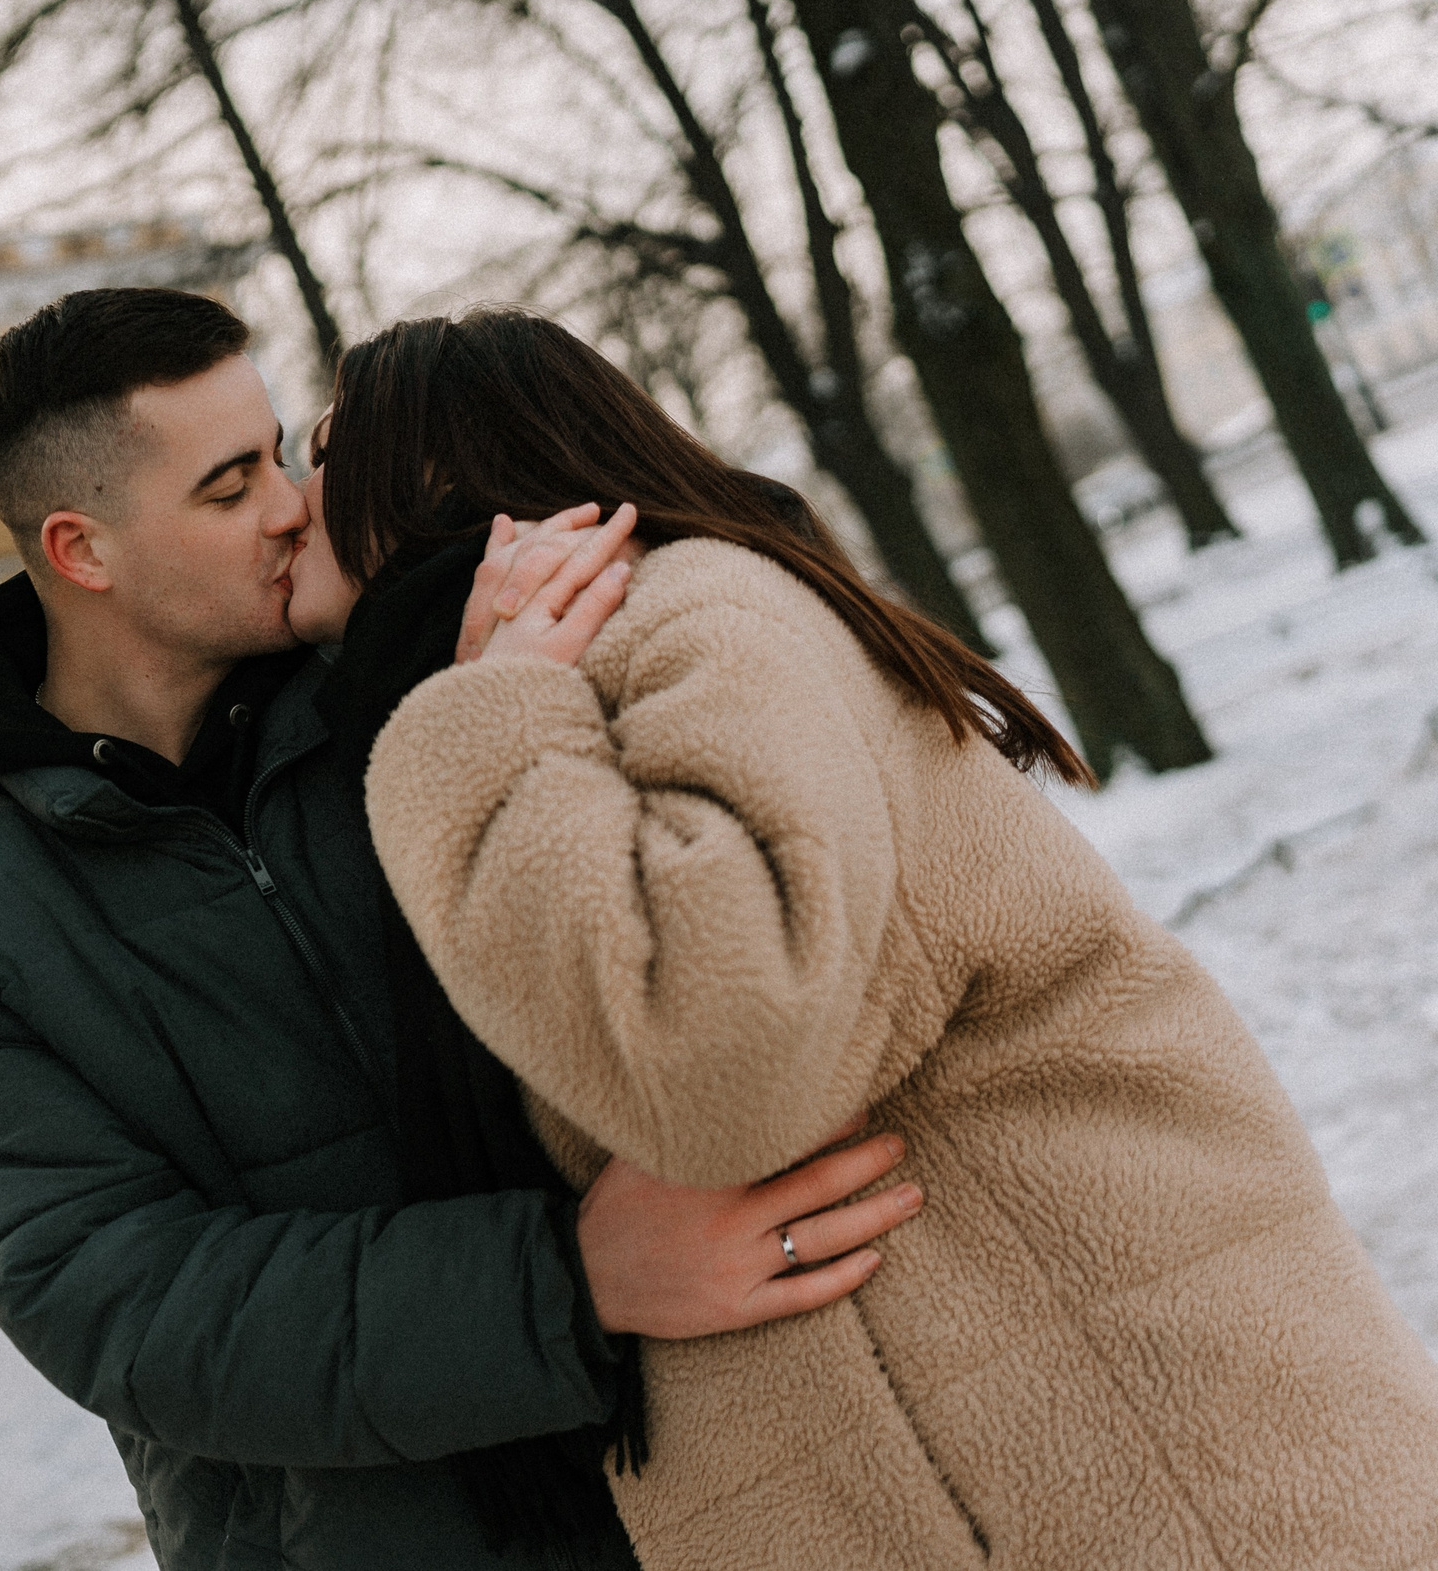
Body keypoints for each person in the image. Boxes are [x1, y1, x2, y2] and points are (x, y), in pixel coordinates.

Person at [281, 305, 1438, 1570]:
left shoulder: (685, 616)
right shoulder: (520, 681)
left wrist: (490, 717)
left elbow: (713, 1053)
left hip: (1151, 1468)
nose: (291, 498)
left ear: (439, 464)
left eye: (323, 445)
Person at [0, 288, 924, 1571]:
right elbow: (119, 1305)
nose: (291, 505)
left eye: (280, 455)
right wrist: (564, 1279)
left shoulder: (443, 678)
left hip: (726, 1485)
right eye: (226, 486)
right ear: (83, 551)